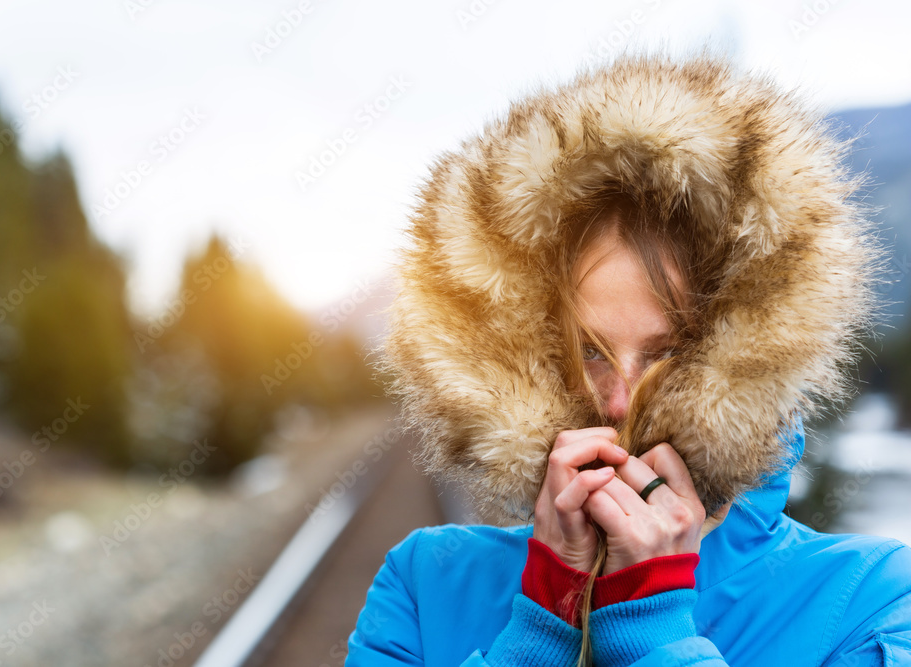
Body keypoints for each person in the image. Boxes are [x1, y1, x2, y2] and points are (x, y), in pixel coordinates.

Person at [348, 52, 911, 666]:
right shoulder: (425, 584)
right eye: (588, 352)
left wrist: (654, 631)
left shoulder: (873, 602)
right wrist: (541, 627)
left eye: (666, 352)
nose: (617, 402)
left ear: (752, 355)